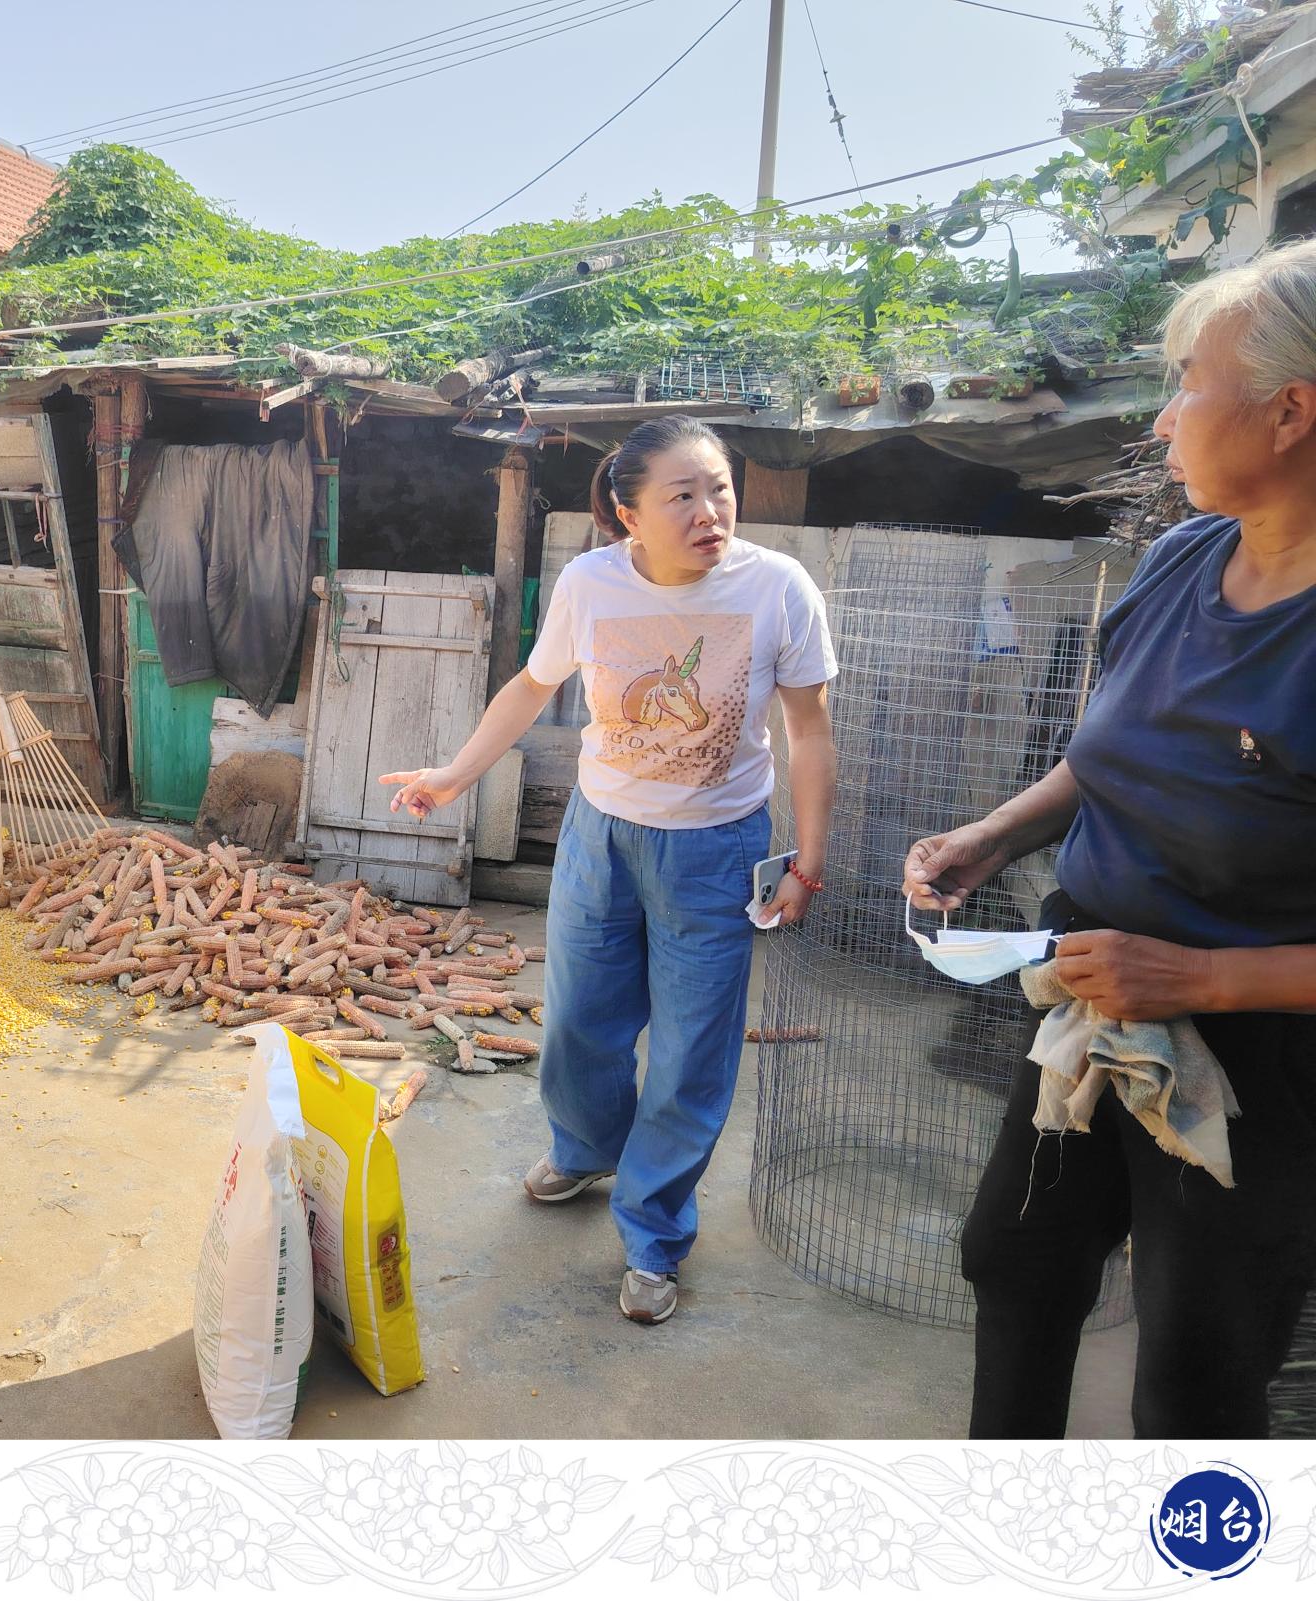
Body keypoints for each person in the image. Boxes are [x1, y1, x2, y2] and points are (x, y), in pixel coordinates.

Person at [905, 240, 1316, 1438]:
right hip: (1092, 990)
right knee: (1015, 1257)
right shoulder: (1184, 558)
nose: (1166, 419)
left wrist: (1199, 977)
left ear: (1291, 412)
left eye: (1189, 383)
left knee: (1196, 1368)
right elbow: (1108, 753)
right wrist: (997, 832)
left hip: (1261, 1051)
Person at [379, 416, 839, 1324]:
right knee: (580, 1020)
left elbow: (809, 727)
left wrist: (808, 863)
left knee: (692, 1050)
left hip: (717, 849)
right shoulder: (590, 583)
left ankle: (654, 1232)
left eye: (719, 488)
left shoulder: (778, 586)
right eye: (683, 495)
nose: (710, 512)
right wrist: (456, 774)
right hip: (601, 836)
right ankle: (587, 1148)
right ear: (630, 515)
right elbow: (532, 685)